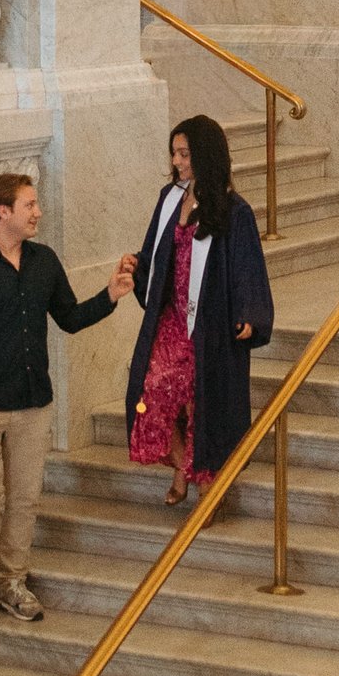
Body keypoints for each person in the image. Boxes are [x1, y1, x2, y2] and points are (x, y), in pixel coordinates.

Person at [0, 171, 136, 645]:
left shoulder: (44, 262)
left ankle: (11, 582)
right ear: (2, 210)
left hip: (33, 405)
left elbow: (68, 318)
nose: (37, 212)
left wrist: (110, 296)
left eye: (35, 204)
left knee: (24, 500)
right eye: (29, 205)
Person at [123, 115, 273, 507]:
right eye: (174, 153)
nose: (177, 162)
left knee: (200, 400)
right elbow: (155, 250)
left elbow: (247, 266)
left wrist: (250, 313)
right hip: (171, 317)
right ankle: (180, 463)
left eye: (184, 154)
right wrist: (136, 266)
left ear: (205, 156)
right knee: (151, 388)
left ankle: (206, 483)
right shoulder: (170, 198)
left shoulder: (234, 210)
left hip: (209, 324)